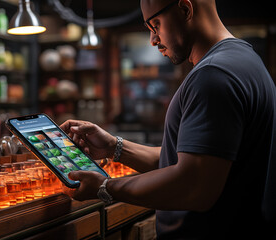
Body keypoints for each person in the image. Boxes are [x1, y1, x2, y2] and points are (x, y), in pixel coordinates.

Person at [60, 0, 276, 239]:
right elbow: (188, 161)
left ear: (185, 9)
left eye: (155, 25)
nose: (153, 39)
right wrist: (114, 146)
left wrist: (104, 187)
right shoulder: (245, 59)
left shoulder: (213, 76)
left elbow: (193, 185)